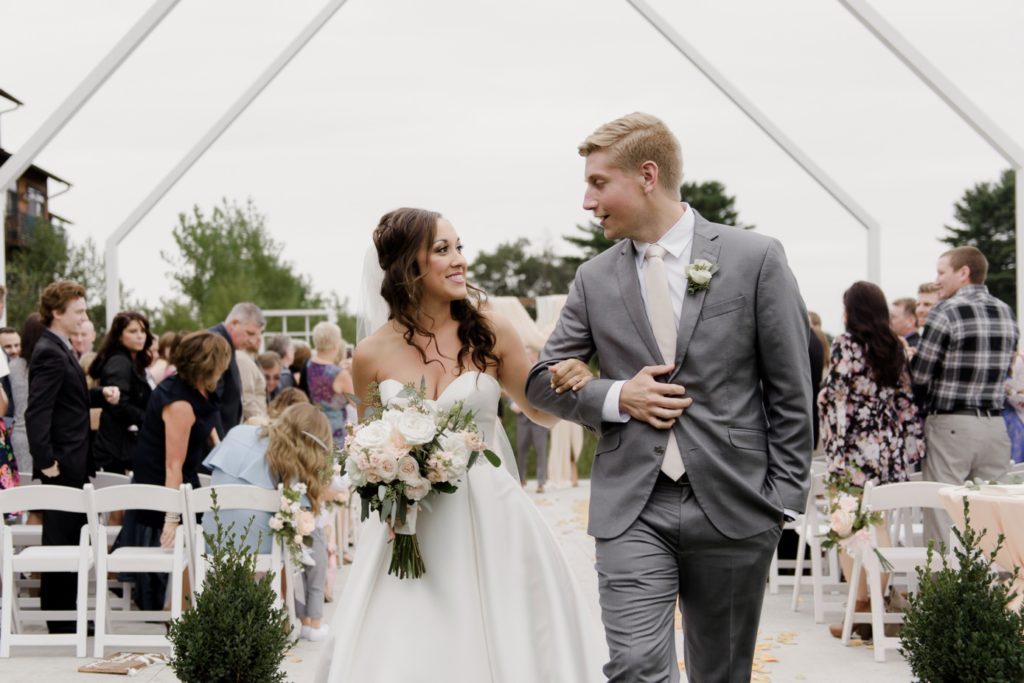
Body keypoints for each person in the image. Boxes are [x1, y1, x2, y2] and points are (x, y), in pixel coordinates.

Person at [525, 113, 812, 682]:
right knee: (634, 667)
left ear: (647, 175)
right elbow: (541, 379)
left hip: (736, 506)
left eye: (598, 183)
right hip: (633, 504)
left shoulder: (755, 258)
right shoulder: (593, 278)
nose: (587, 201)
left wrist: (778, 502)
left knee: (721, 674)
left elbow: (792, 390)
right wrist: (616, 397)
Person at [315, 208, 605, 683]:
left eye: (460, 247)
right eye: (443, 250)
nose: (459, 261)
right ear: (409, 266)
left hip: (495, 519)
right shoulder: (369, 354)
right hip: (411, 529)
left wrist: (572, 381)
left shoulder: (492, 329)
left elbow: (540, 412)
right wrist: (387, 478)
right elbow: (366, 446)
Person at [818, 281, 926, 637]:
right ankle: (878, 602)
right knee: (877, 526)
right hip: (886, 450)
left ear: (853, 309)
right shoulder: (897, 347)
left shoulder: (845, 344)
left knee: (848, 527)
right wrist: (909, 449)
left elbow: (836, 397)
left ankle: (860, 607)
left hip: (851, 450)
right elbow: (907, 402)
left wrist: (832, 442)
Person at [26, 281, 120, 633]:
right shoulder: (49, 350)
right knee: (61, 542)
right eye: (78, 311)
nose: (84, 316)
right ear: (57, 312)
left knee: (70, 540)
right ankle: (62, 621)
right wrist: (46, 459)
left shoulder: (60, 347)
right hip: (60, 465)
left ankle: (70, 616)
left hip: (72, 462)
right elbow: (37, 412)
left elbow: (69, 402)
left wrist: (98, 395)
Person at [911, 246, 1017, 545]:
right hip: (995, 426)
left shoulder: (946, 311)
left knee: (943, 509)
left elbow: (919, 375)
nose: (937, 280)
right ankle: (999, 585)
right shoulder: (1006, 311)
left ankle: (945, 589)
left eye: (941, 272)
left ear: (963, 273)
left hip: (952, 425)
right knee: (995, 513)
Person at [118, 331, 231, 610]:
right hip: (161, 479)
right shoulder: (178, 402)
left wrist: (222, 449)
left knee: (200, 540)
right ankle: (176, 608)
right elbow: (172, 464)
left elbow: (208, 420)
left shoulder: (201, 388)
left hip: (185, 475)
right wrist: (171, 516)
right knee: (183, 541)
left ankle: (187, 604)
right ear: (209, 364)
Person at [203, 403, 332, 640]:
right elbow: (303, 524)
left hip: (212, 537)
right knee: (312, 534)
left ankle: (305, 618)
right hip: (259, 547)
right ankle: (312, 621)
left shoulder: (237, 433)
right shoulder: (292, 463)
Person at [89, 312, 155, 474]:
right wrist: (147, 418)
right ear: (119, 336)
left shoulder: (132, 361)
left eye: (142, 331)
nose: (140, 336)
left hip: (122, 445)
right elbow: (118, 404)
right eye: (133, 331)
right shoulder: (119, 362)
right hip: (116, 448)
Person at [209, 303, 264, 437]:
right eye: (249, 333)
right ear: (233, 323)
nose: (252, 341)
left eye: (256, 335)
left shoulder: (227, 343)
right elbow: (211, 397)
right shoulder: (215, 343)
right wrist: (218, 442)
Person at [9, 314, 45, 478]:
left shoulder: (14, 365)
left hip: (19, 433)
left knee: (24, 490)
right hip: (42, 435)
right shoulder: (48, 364)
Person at [306, 321, 353, 442]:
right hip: (334, 432)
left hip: (314, 427)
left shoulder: (308, 366)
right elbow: (357, 403)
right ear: (336, 344)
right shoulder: (339, 374)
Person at [237, 348, 267, 424]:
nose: (259, 339)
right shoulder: (243, 360)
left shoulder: (248, 359)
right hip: (253, 422)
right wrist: (263, 422)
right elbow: (246, 399)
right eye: (251, 335)